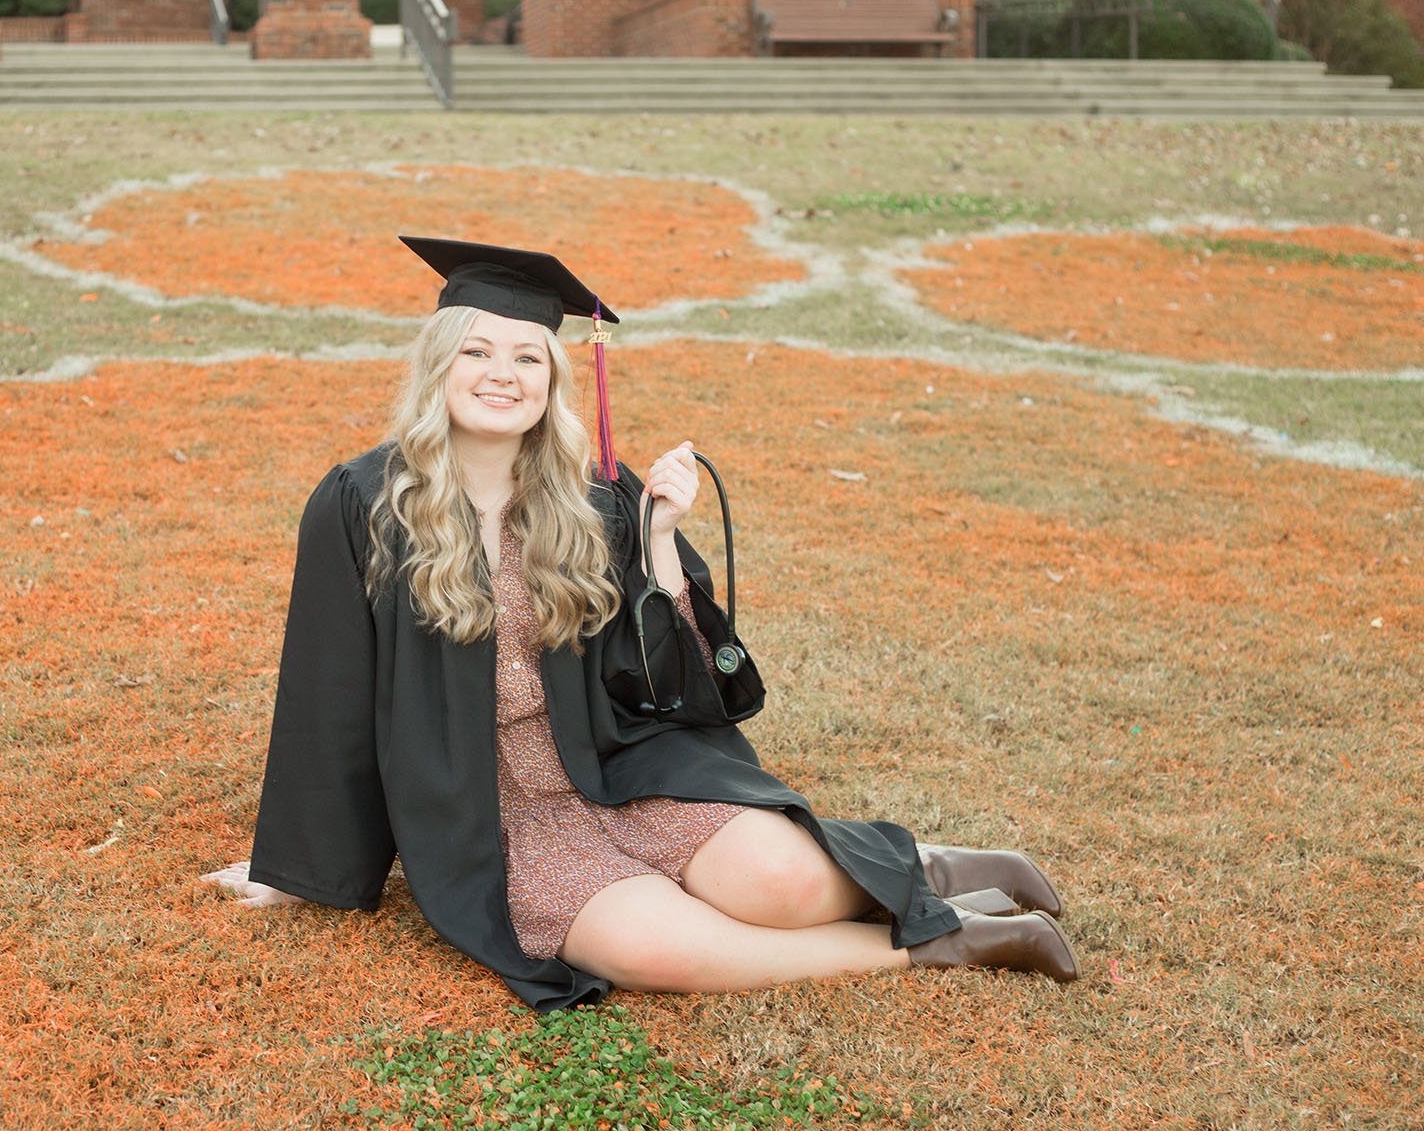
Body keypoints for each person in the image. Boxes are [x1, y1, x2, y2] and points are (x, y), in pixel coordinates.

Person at [204, 237, 1078, 1010]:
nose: (501, 375)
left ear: (553, 381)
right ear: (437, 365)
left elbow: (671, 684)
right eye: (476, 351)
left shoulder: (600, 502)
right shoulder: (364, 506)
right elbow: (329, 695)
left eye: (528, 358)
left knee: (783, 884)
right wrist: (299, 872)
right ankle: (950, 940)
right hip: (497, 815)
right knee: (661, 949)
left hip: (621, 763)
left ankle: (928, 866)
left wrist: (660, 544)